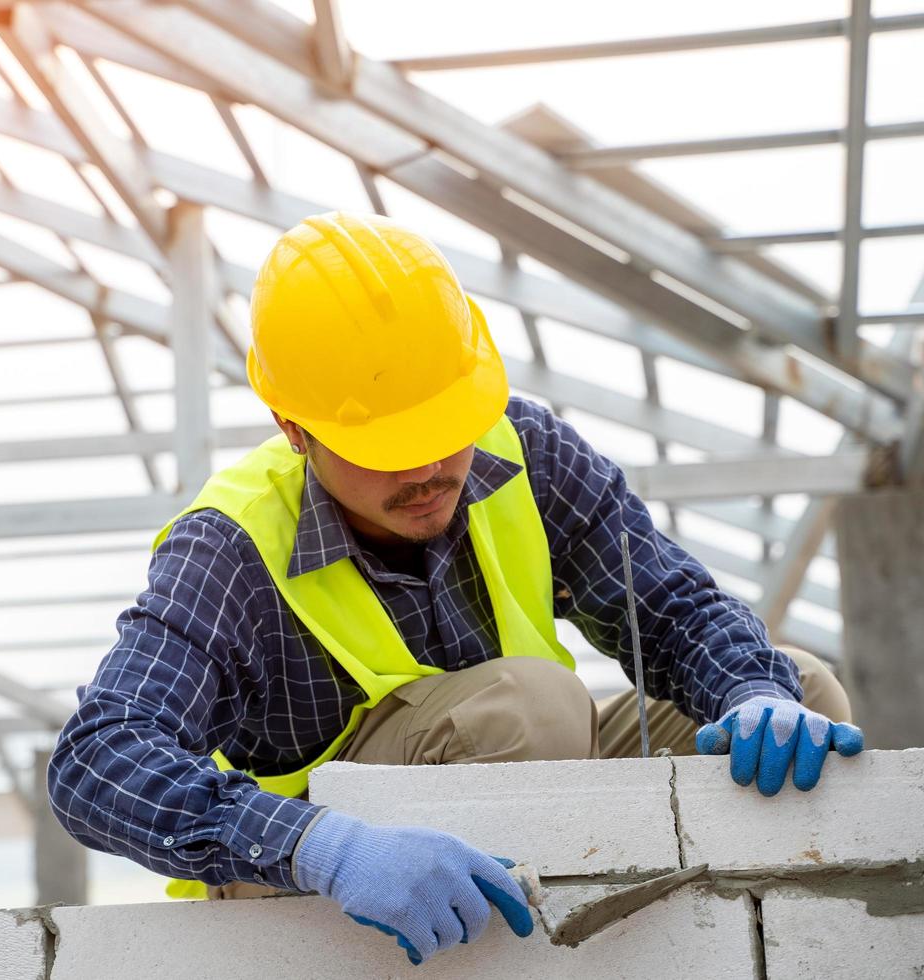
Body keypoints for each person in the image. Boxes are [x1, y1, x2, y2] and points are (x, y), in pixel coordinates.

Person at [48, 212, 864, 965]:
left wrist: (753, 687)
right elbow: (96, 761)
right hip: (305, 878)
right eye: (386, 447)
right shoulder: (231, 547)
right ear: (295, 430)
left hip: (522, 783)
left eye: (443, 430)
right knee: (529, 706)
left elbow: (671, 605)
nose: (429, 470)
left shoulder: (525, 449)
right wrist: (326, 849)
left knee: (799, 693)